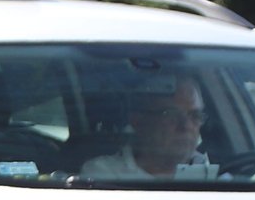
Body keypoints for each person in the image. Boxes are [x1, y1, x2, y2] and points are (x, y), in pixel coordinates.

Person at [76, 76, 220, 182]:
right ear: (138, 120)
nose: (187, 125)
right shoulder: (103, 174)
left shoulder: (215, 173)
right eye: (172, 114)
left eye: (195, 115)